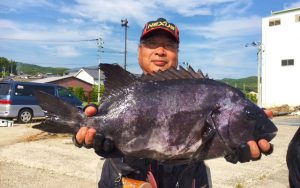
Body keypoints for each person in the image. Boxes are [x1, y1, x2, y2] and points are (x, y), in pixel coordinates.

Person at [73, 18, 273, 188]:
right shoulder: (125, 91)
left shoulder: (204, 90)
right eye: (152, 44)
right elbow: (97, 116)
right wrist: (82, 128)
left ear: (177, 53)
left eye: (169, 45)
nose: (160, 51)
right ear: (139, 50)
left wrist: (234, 143)